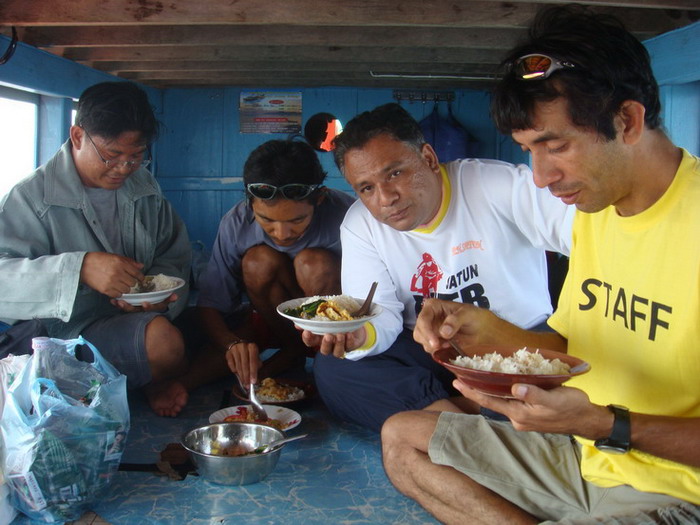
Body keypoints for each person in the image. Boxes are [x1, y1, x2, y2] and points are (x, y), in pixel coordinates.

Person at [381, 5, 700, 524]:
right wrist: (487, 331)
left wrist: (605, 425)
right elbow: (576, 351)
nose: (540, 176)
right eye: (529, 150)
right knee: (403, 438)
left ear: (628, 120)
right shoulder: (598, 211)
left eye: (556, 147)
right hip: (586, 456)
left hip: (676, 488)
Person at [301, 102, 574, 432]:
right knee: (334, 368)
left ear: (428, 159)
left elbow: (584, 235)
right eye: (367, 188)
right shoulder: (361, 224)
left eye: (395, 173)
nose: (385, 198)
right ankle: (476, 421)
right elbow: (379, 312)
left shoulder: (497, 185)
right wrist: (360, 335)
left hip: (515, 346)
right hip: (431, 352)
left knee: (566, 369)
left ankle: (441, 419)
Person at [0, 81, 192, 417]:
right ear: (77, 137)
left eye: (136, 156)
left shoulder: (143, 185)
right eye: (112, 155)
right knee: (165, 344)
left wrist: (158, 298)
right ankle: (133, 386)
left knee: (176, 338)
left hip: (127, 323)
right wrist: (80, 269)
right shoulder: (30, 198)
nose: (123, 168)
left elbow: (172, 254)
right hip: (61, 335)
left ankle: (122, 388)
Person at [189, 139, 355, 390]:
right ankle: (293, 350)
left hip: (337, 328)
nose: (282, 233)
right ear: (249, 202)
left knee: (313, 263)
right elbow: (211, 303)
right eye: (266, 219)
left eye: (297, 220)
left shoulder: (349, 217)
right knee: (258, 261)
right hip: (272, 321)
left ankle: (323, 356)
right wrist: (232, 346)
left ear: (319, 199)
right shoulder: (237, 223)